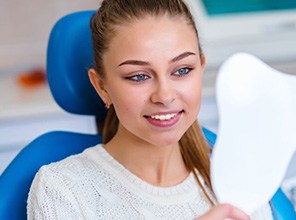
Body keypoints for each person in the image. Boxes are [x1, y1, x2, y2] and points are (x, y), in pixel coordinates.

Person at [27, 0, 273, 219]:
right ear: (101, 86)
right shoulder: (62, 190)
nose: (164, 96)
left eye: (182, 70)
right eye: (138, 76)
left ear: (201, 67)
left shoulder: (240, 181)